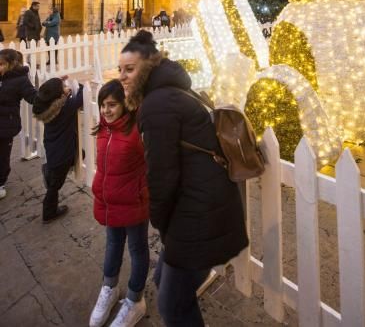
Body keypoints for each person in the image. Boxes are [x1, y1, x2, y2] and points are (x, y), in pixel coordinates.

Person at [118, 31, 249, 327]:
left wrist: (160, 220)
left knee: (173, 305)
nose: (123, 77)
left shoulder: (157, 105)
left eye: (130, 69)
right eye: (120, 70)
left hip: (196, 214)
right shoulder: (174, 90)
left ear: (148, 67)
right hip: (206, 204)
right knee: (165, 280)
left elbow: (162, 176)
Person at [89, 79, 149, 327]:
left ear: (125, 105)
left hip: (133, 204)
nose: (106, 110)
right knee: (112, 245)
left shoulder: (137, 131)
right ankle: (109, 287)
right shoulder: (103, 130)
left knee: (137, 250)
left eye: (112, 104)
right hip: (109, 202)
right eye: (103, 105)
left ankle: (135, 299)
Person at [32, 77, 83, 222]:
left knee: (59, 171)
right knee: (54, 186)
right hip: (63, 153)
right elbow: (82, 94)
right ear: (59, 94)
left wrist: (58, 86)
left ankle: (49, 172)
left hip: (52, 147)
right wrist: (74, 85)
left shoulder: (46, 107)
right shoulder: (66, 108)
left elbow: (46, 93)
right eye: (63, 86)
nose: (66, 87)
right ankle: (49, 213)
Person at [0, 49, 37, 199]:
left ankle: (0, 182)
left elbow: (33, 97)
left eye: (1, 64)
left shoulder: (20, 80)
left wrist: (53, 91)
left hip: (6, 126)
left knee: (2, 156)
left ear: (11, 64)